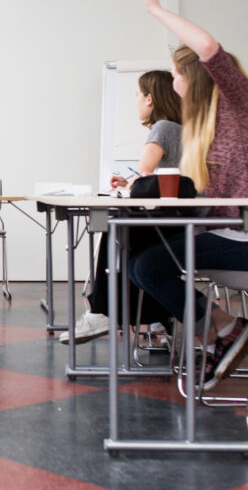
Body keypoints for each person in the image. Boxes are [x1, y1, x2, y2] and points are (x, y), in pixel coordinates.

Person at [128, 0, 248, 390]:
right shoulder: (206, 128)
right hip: (235, 235)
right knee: (142, 259)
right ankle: (220, 333)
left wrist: (154, 8)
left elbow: (209, 47)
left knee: (148, 265)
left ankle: (222, 330)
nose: (175, 84)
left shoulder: (241, 106)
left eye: (178, 76)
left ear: (197, 78)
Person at [60, 69, 182, 344]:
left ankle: (101, 311)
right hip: (180, 221)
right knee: (129, 237)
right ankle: (157, 318)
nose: (136, 101)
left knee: (116, 229)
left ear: (150, 98)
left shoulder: (162, 128)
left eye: (138, 95)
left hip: (165, 223)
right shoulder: (183, 129)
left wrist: (127, 184)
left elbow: (143, 173)